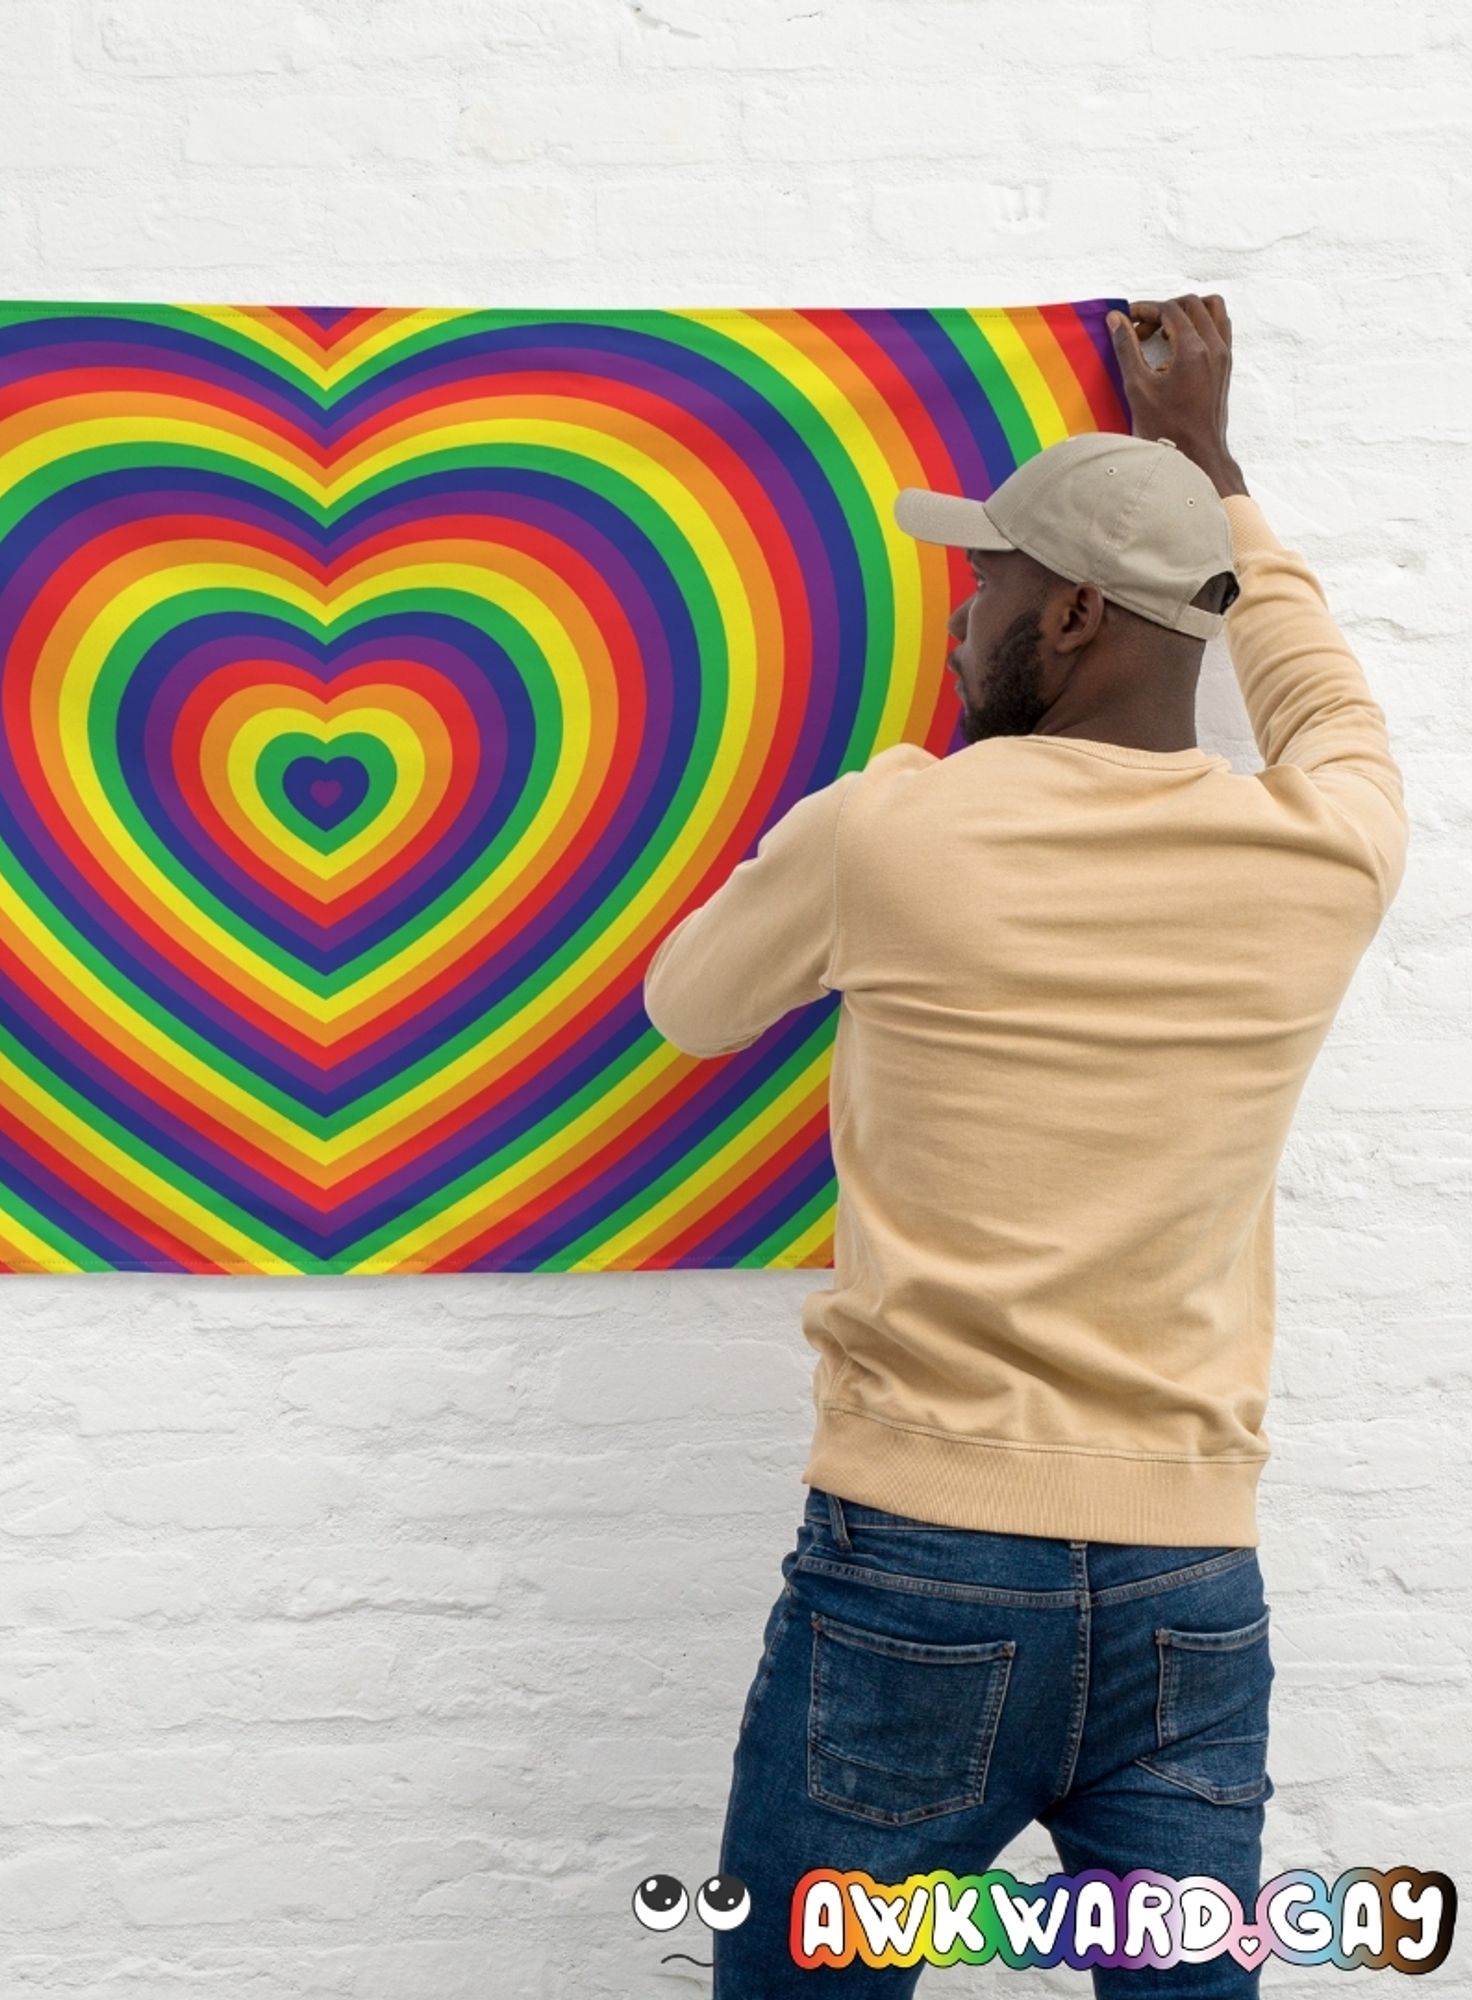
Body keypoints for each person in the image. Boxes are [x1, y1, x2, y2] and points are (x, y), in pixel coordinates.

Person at [641, 294, 1408, 1997]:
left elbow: (687, 1006)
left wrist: (884, 809)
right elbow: (1330, 706)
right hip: (1193, 1592)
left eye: (981, 583)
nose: (957, 615)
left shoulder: (897, 826)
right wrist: (1214, 472)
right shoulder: (1330, 854)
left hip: (911, 1571)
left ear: (1066, 616)